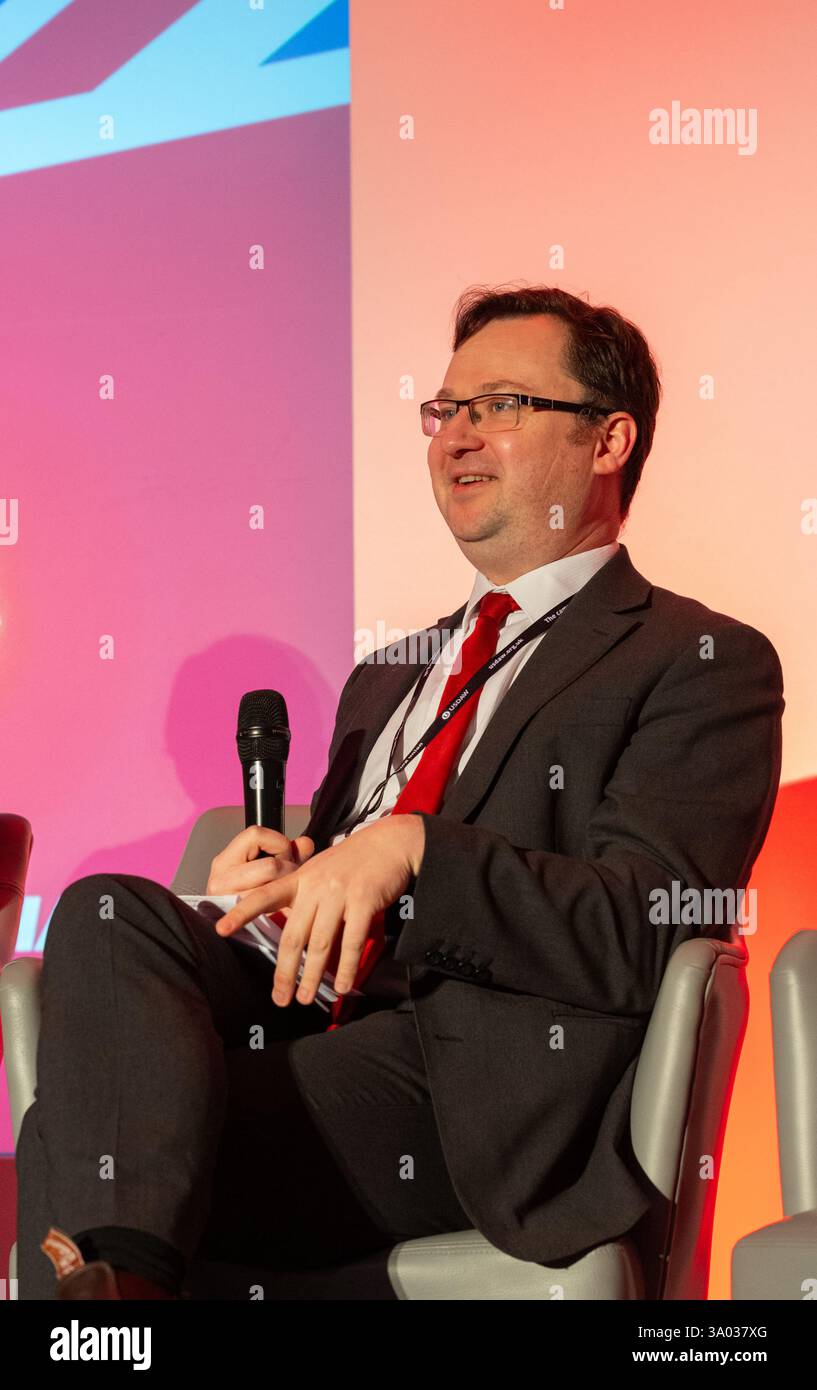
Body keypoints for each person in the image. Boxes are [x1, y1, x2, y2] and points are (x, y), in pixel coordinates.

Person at [16, 284, 784, 1300]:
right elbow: (343, 902)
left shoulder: (696, 660)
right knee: (104, 912)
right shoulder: (394, 673)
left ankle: (115, 1301)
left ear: (608, 441)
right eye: (444, 410)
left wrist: (418, 854)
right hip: (314, 1017)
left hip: (473, 1082)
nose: (456, 437)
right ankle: (127, 1292)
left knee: (82, 1128)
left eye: (500, 405)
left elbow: (645, 921)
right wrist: (282, 887)